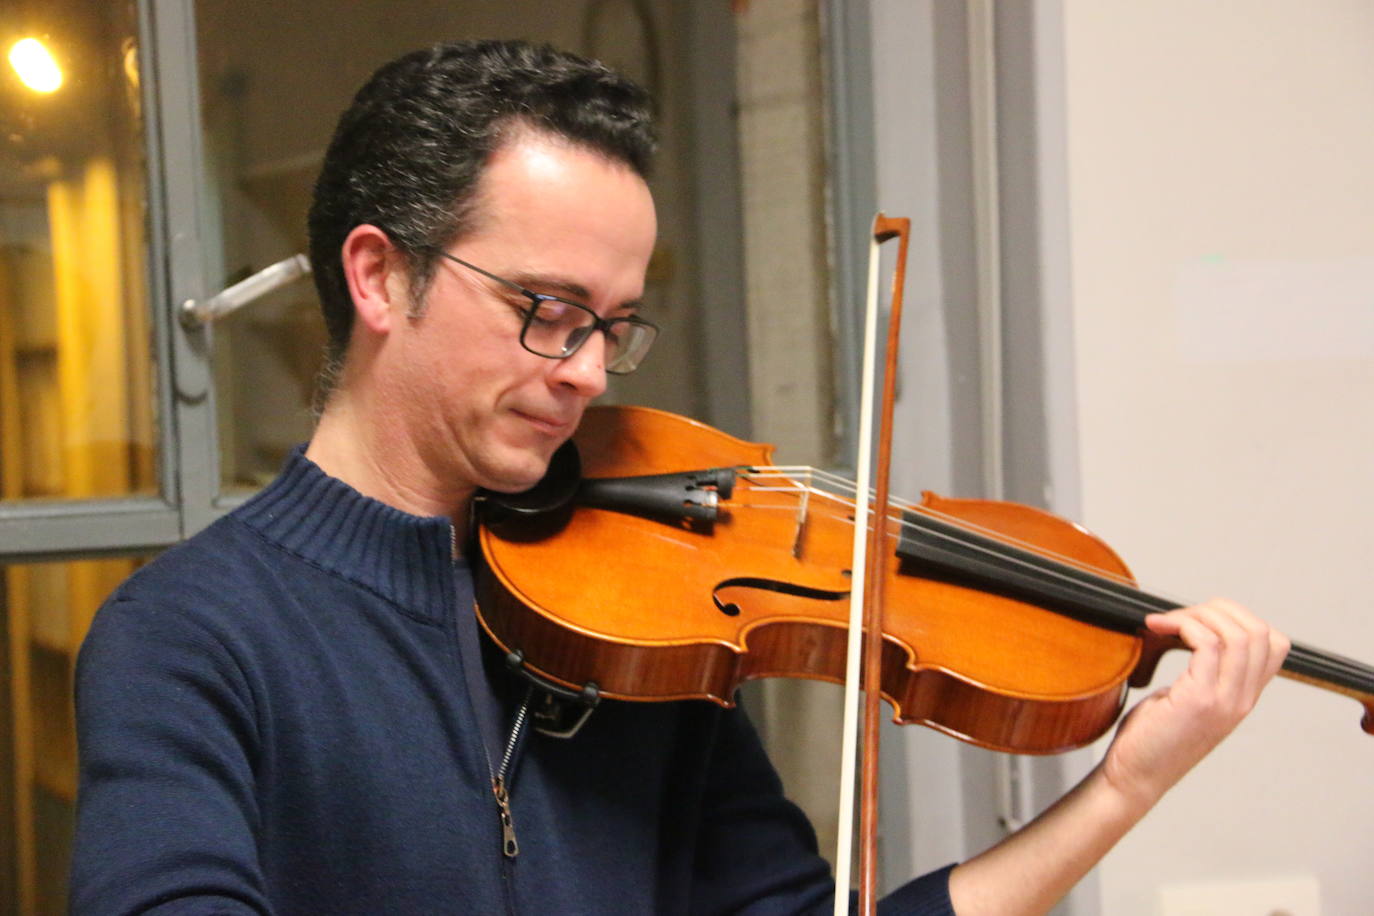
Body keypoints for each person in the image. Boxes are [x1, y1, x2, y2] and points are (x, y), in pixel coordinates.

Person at [71, 40, 1289, 915]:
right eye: (549, 312)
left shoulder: (645, 607)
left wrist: (1121, 788)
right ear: (383, 277)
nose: (592, 372)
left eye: (617, 323)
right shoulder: (187, 637)